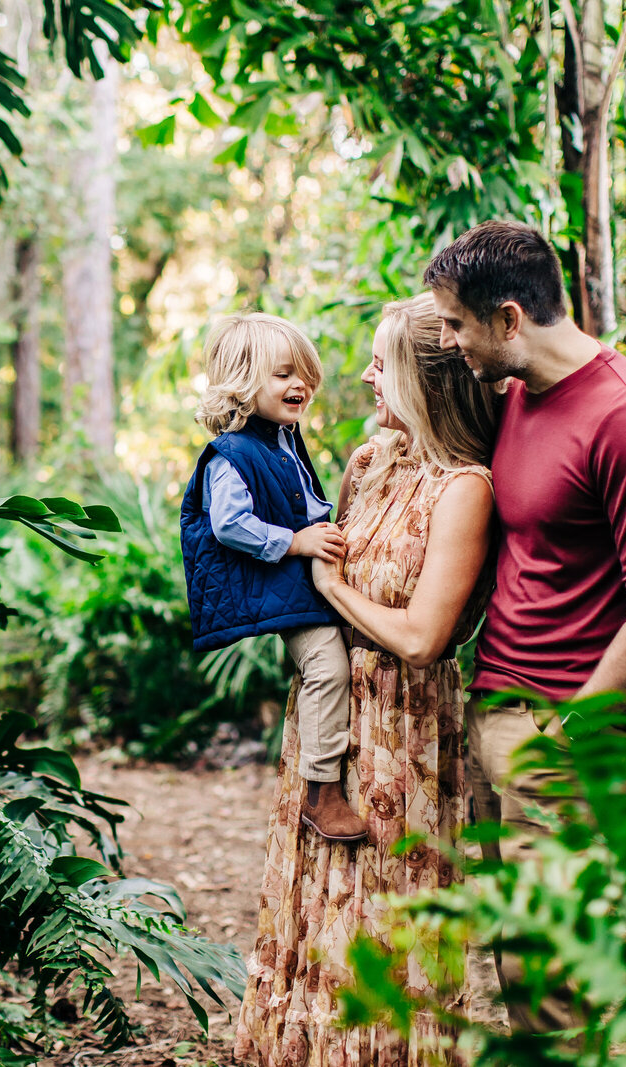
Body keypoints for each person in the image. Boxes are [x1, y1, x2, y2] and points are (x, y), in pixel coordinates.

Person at [423, 220, 626, 1034]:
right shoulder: (517, 396)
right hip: (500, 705)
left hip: (568, 723)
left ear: (509, 320)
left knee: (549, 977)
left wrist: (576, 726)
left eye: (456, 323)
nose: (448, 341)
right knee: (516, 959)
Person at [235, 293, 502, 1067]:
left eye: (381, 364)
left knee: (387, 913)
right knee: (322, 901)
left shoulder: (466, 489)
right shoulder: (368, 461)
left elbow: (423, 636)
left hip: (408, 729)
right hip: (333, 713)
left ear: (424, 378)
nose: (364, 377)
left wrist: (337, 595)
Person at [180, 312, 368, 842]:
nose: (299, 385)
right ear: (243, 382)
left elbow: (302, 498)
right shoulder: (231, 453)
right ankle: (321, 791)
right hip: (282, 581)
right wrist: (296, 541)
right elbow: (229, 523)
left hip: (307, 575)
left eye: (304, 374)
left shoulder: (282, 437)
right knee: (326, 667)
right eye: (283, 374)